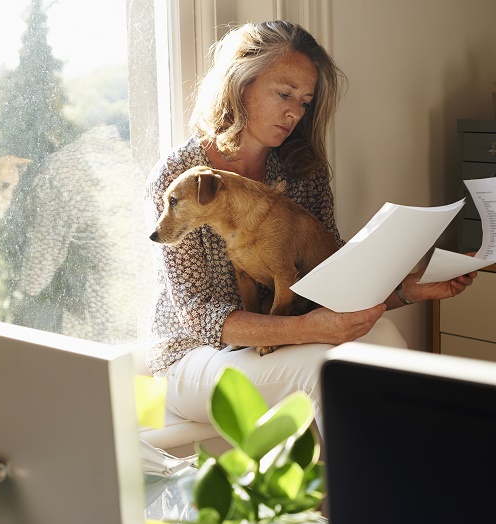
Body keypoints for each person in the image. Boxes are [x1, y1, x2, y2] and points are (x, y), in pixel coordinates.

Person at [144, 20, 475, 433]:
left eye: (304, 101)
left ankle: (394, 491)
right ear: (240, 84)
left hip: (278, 341)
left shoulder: (302, 171)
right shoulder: (180, 177)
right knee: (325, 370)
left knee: (386, 341)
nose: (294, 112)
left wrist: (408, 290)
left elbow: (332, 283)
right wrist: (300, 329)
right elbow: (195, 314)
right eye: (284, 94)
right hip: (195, 357)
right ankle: (362, 496)